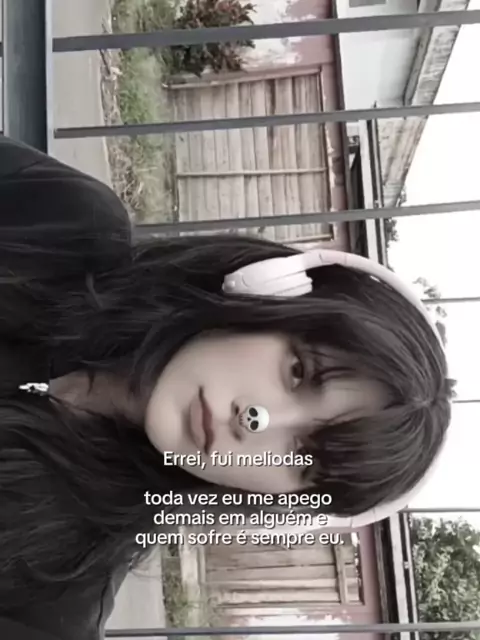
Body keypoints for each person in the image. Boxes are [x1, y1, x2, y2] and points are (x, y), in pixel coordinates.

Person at [0, 135, 453, 639]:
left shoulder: (55, 599)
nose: (256, 423)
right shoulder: (69, 225)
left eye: (302, 457)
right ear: (267, 293)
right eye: (299, 372)